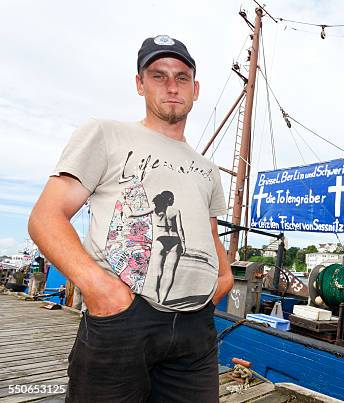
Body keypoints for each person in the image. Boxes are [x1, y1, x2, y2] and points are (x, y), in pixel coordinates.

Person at [28, 35, 234, 402]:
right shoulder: (106, 134)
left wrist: (223, 277)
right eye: (158, 75)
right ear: (140, 83)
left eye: (182, 77)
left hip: (194, 329)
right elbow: (46, 216)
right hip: (124, 317)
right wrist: (100, 290)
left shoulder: (207, 169)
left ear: (196, 89)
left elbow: (210, 235)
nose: (172, 86)